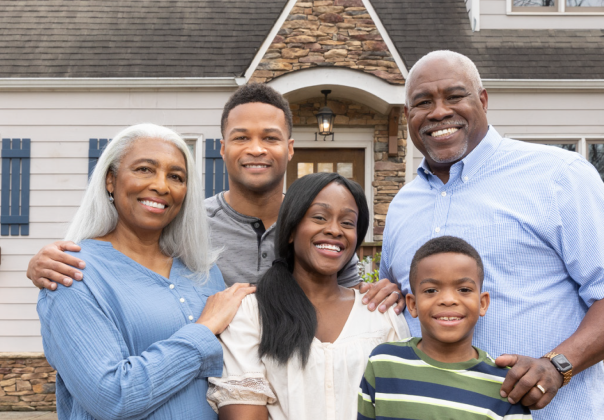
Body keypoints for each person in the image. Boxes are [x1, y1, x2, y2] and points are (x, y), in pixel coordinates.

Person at [379, 50, 604, 419]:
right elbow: (399, 307)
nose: (439, 112)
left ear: (484, 100)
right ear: (409, 115)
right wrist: (387, 293)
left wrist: (557, 366)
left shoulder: (558, 176)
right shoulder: (401, 207)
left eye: (455, 96)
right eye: (422, 102)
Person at [26, 83, 404, 315]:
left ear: (290, 149)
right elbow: (127, 256)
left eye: (270, 138)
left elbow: (350, 299)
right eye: (242, 137)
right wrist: (48, 261)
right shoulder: (184, 222)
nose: (256, 149)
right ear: (222, 149)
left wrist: (381, 294)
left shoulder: (319, 229)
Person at [37, 123, 255, 420]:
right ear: (110, 180)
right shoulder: (72, 274)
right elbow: (111, 397)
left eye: (176, 177)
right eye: (144, 169)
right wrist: (204, 330)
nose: (162, 186)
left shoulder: (202, 271)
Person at [206, 172, 410, 420]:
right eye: (319, 217)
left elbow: (398, 407)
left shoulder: (381, 315)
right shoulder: (251, 314)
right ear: (291, 230)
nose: (334, 230)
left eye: (347, 223)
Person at [358, 236, 531, 420]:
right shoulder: (384, 363)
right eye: (431, 290)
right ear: (412, 304)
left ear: (483, 303)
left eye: (464, 289)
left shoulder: (504, 386)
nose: (448, 300)